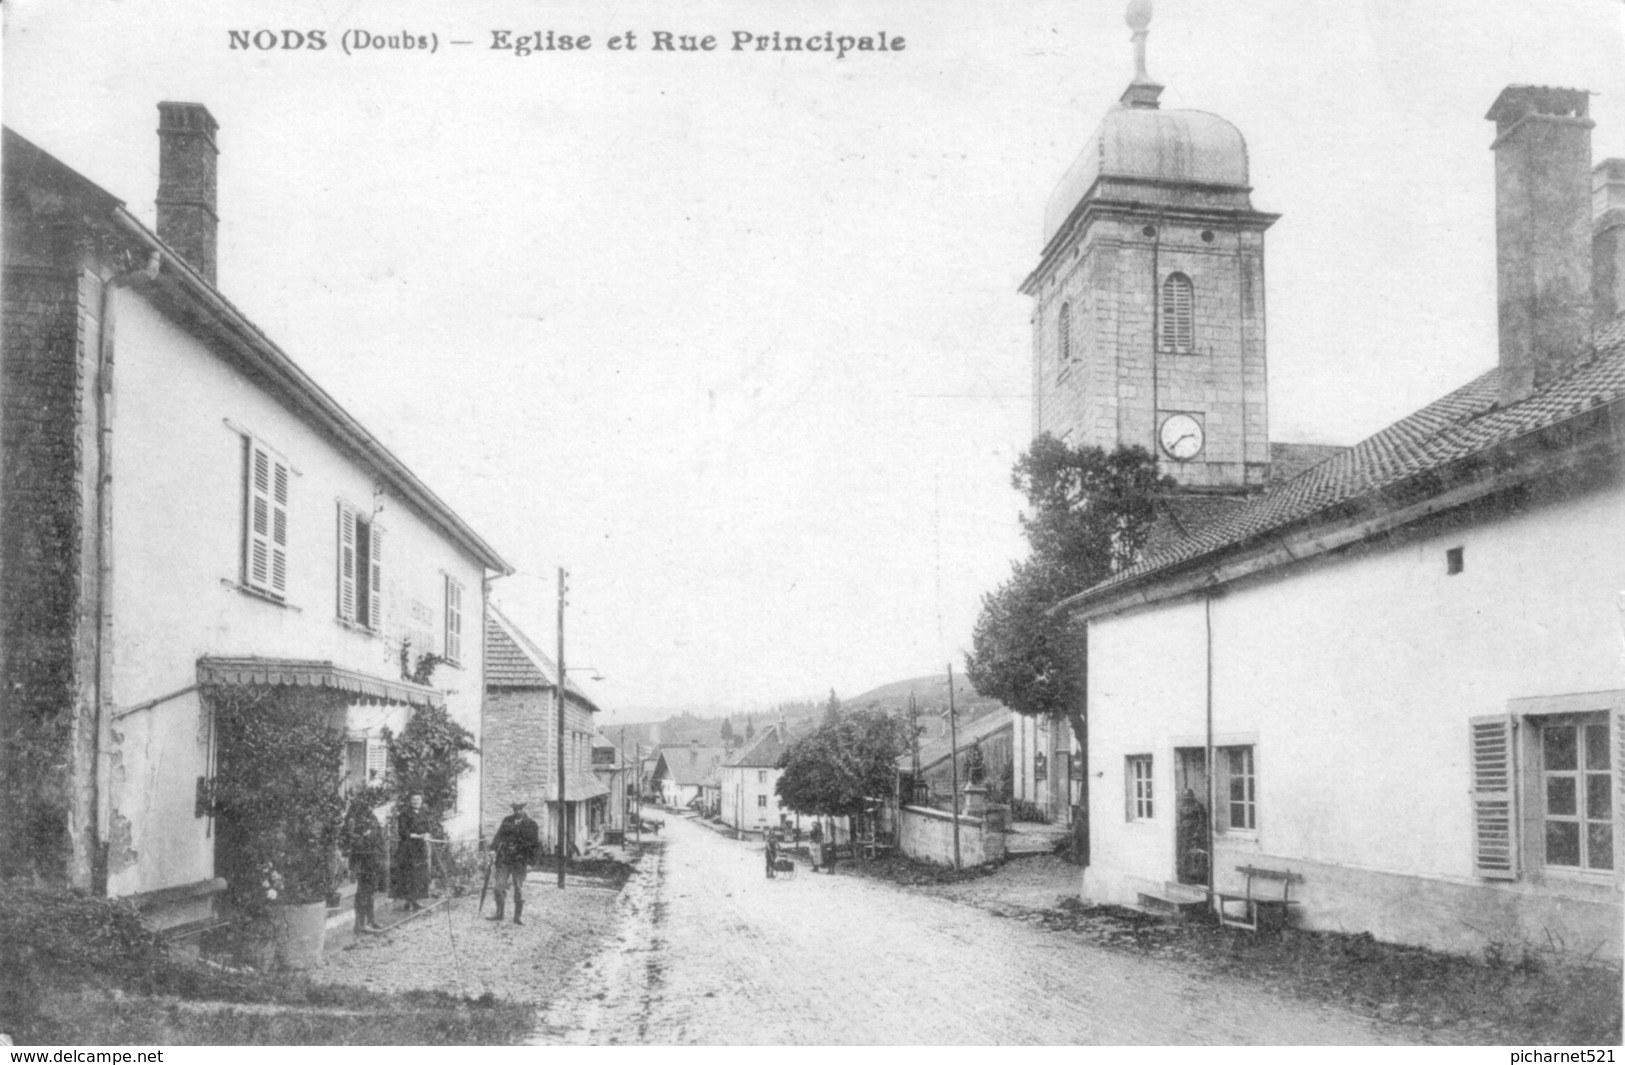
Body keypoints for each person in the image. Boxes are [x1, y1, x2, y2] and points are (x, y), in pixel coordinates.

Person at [488, 800, 540, 925]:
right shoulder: (507, 821)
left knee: (518, 889)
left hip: (520, 861)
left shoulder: (532, 824)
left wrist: (530, 863)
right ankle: (499, 913)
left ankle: (518, 917)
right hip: (504, 859)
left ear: (524, 808)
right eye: (515, 809)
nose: (517, 811)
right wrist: (493, 850)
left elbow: (535, 846)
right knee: (498, 887)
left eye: (520, 809)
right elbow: (498, 836)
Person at [344, 798, 387, 933]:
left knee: (369, 892)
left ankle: (371, 920)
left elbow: (378, 837)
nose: (369, 806)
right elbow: (352, 841)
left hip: (373, 859)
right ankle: (360, 924)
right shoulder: (353, 819)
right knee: (362, 892)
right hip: (361, 861)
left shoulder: (370, 816)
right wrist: (353, 868)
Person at [395, 792, 432, 911]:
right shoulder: (404, 814)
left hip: (420, 848)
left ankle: (416, 900)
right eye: (413, 799)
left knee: (419, 874)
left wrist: (426, 834)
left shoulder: (423, 813)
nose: (416, 802)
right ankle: (408, 901)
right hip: (408, 848)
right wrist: (417, 836)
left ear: (421, 801)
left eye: (418, 799)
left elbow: (427, 827)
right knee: (409, 873)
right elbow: (403, 832)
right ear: (410, 801)